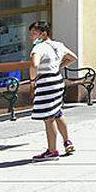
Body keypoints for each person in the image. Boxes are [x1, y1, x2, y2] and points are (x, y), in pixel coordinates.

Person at [26, 21, 76, 161]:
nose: (32, 37)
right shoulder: (58, 45)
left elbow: (34, 65)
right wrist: (59, 66)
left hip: (46, 83)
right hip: (57, 81)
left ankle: (52, 151)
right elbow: (73, 57)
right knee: (57, 112)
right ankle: (67, 142)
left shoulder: (39, 48)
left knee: (48, 118)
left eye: (34, 33)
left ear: (43, 34)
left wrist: (32, 81)